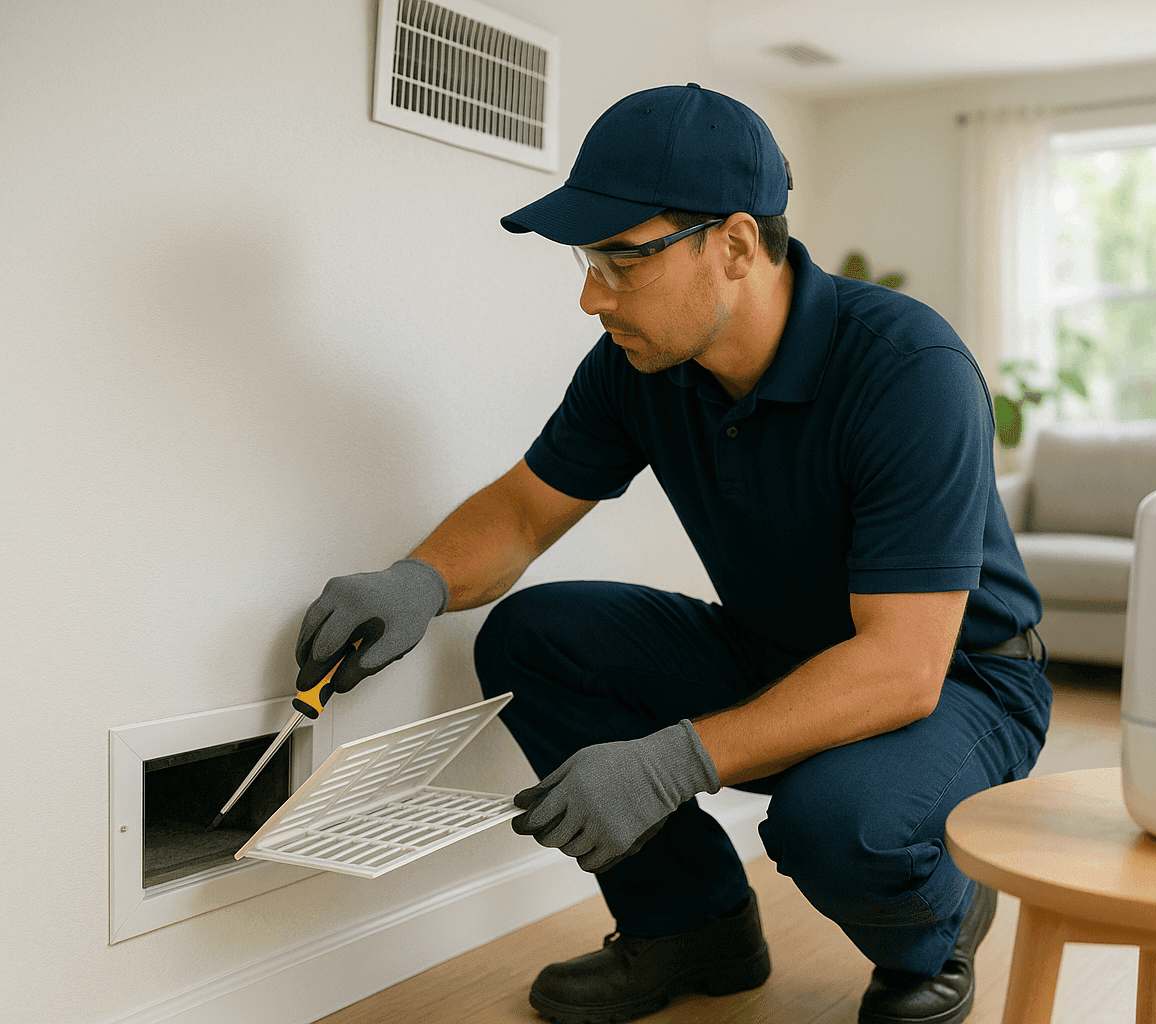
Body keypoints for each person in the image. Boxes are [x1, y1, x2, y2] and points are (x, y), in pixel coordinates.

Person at [294, 83, 1051, 1024]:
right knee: (536, 636)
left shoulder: (907, 372)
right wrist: (417, 579)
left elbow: (901, 668)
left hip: (958, 683)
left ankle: (934, 929)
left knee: (839, 824)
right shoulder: (640, 363)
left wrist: (666, 765)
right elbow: (528, 510)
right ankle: (694, 926)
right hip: (777, 647)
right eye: (586, 258)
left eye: (620, 258)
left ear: (733, 244)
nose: (588, 295)